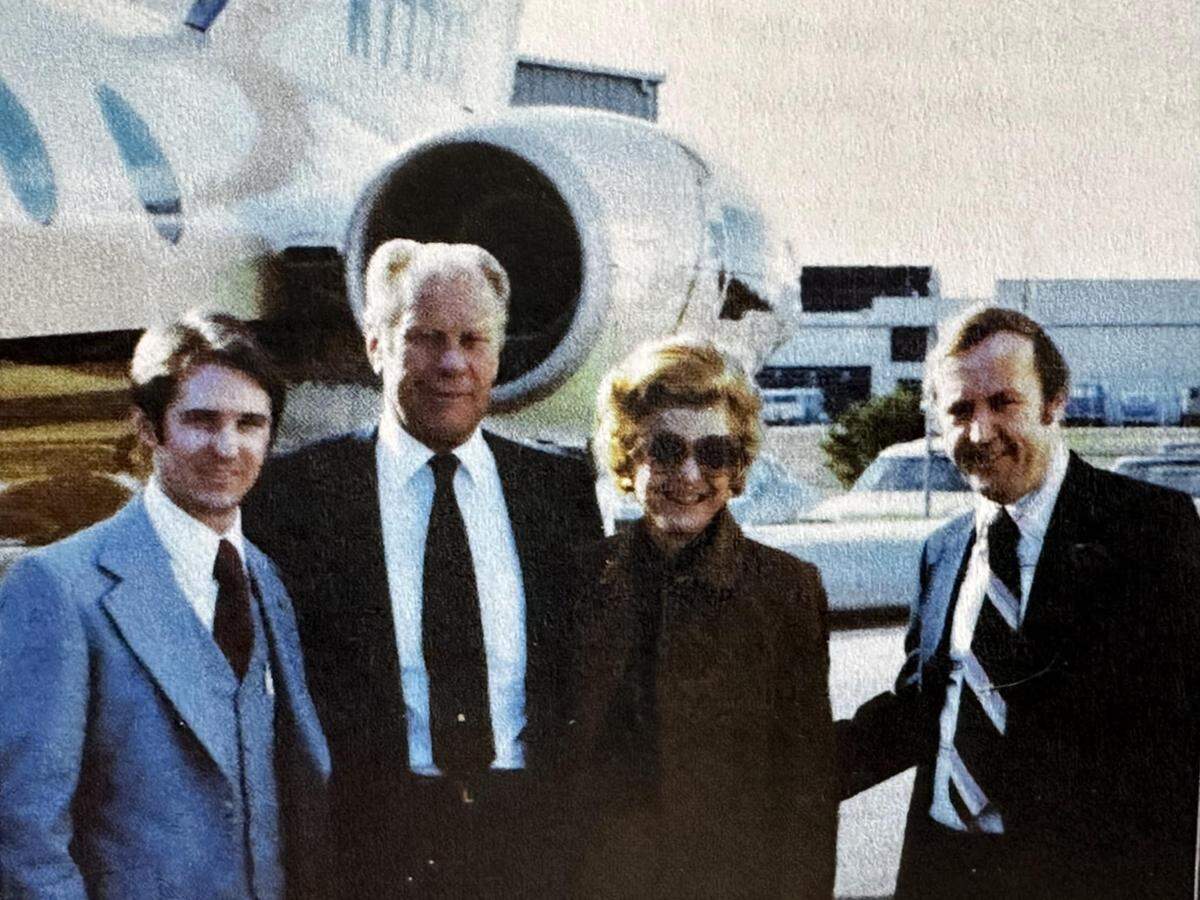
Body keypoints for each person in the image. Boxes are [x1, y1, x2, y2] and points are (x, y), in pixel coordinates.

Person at [244, 239, 605, 897]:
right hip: (371, 849)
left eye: (474, 340)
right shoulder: (295, 495)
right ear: (375, 345)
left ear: (498, 352)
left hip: (531, 844)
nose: (452, 363)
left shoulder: (559, 490)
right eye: (425, 338)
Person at [838, 305, 1200, 899]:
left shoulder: (1152, 530)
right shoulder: (942, 550)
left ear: (1053, 403)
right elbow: (922, 707)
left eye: (1003, 402)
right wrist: (775, 777)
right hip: (944, 872)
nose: (981, 433)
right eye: (960, 411)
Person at [0, 312, 331, 899]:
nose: (227, 447)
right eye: (200, 421)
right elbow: (24, 833)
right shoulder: (59, 588)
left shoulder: (267, 581)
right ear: (148, 429)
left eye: (249, 424)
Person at [573, 335, 838, 899]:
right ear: (629, 455)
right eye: (666, 449)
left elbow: (805, 789)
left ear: (737, 467)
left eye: (714, 453)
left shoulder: (787, 591)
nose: (690, 474)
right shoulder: (578, 582)